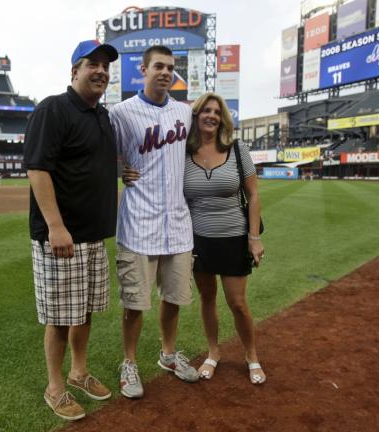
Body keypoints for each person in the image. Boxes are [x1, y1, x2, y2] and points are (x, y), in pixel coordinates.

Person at [23, 40, 119, 421]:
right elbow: (37, 168)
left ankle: (78, 373)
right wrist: (56, 226)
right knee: (60, 318)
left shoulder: (101, 116)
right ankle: (55, 387)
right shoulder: (53, 108)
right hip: (61, 237)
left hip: (93, 234)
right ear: (73, 71)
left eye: (105, 66)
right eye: (91, 64)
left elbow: (97, 162)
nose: (101, 71)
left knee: (84, 313)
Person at [110, 45, 199, 399]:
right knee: (135, 303)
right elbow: (106, 153)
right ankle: (129, 362)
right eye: (158, 66)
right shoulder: (122, 112)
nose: (165, 72)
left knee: (174, 298)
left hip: (177, 224)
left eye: (170, 68)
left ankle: (167, 354)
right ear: (143, 70)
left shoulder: (184, 112)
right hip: (138, 224)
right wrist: (118, 168)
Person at [182, 93, 267, 385]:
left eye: (216, 112)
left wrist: (253, 238)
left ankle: (251, 355)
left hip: (233, 236)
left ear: (222, 118)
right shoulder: (184, 151)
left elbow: (254, 194)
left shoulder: (236, 148)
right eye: (205, 110)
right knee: (207, 298)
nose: (211, 115)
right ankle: (213, 352)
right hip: (198, 240)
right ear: (196, 115)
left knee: (238, 303)